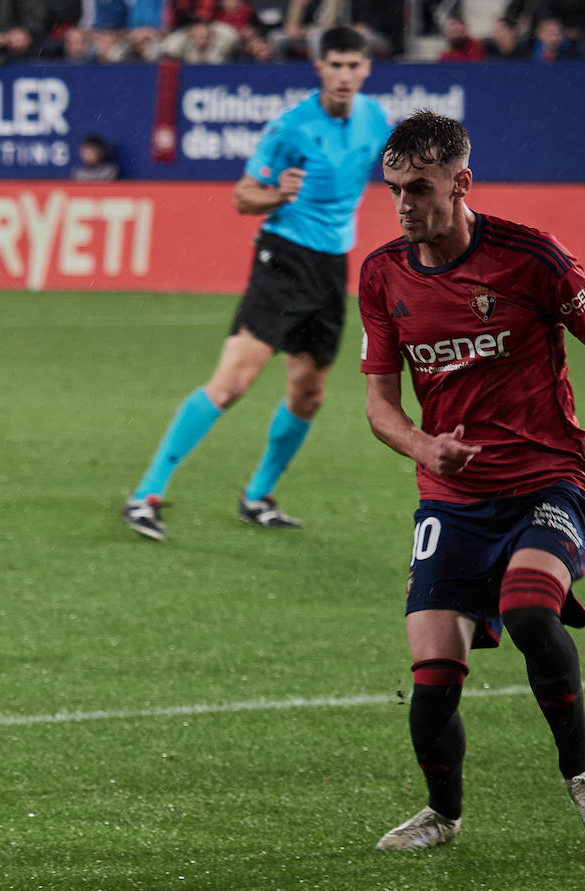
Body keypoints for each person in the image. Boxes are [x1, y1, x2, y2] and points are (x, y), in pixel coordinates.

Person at [358, 110, 585, 852]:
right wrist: (422, 446)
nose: (405, 204)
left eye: (420, 188)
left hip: (549, 478)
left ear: (461, 182)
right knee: (433, 685)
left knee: (533, 613)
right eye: (394, 190)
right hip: (452, 498)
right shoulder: (382, 275)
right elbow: (380, 405)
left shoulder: (532, 258)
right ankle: (443, 813)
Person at [121, 24, 390, 541]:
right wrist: (279, 194)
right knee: (232, 384)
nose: (344, 75)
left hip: (331, 268)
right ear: (320, 68)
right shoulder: (290, 127)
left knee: (309, 394)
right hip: (283, 260)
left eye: (353, 65)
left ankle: (257, 496)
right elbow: (244, 196)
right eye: (334, 64)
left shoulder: (375, 119)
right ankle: (145, 495)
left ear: (366, 69)